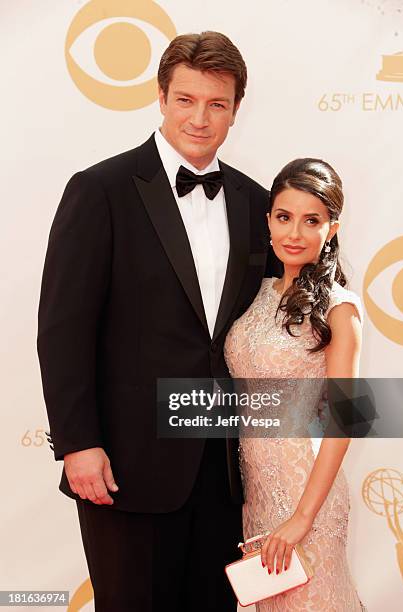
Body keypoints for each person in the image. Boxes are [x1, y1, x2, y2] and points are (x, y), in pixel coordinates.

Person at [37, 31, 281, 612]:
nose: (200, 118)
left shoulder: (255, 201)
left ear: (235, 110)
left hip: (224, 471)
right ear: (162, 97)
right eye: (186, 100)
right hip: (125, 467)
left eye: (216, 104)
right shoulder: (100, 190)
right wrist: (78, 443)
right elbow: (63, 329)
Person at [224, 158, 367, 610]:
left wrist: (303, 517)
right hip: (256, 495)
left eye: (312, 221)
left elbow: (346, 420)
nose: (294, 234)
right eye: (284, 217)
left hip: (308, 498)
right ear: (268, 220)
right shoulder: (257, 293)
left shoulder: (340, 309)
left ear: (333, 228)